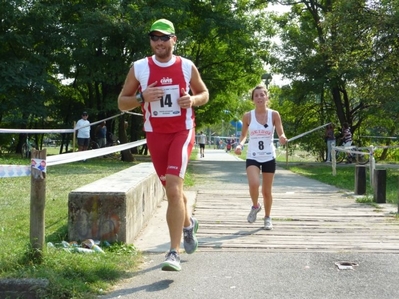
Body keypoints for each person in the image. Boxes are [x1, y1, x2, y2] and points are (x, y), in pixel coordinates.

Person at [117, 18, 209, 271]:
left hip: (182, 131)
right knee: (174, 192)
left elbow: (204, 94)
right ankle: (188, 224)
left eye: (164, 37)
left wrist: (193, 100)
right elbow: (122, 103)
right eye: (154, 37)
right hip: (155, 134)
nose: (159, 42)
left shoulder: (187, 66)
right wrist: (141, 96)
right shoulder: (139, 67)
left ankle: (173, 252)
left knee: (172, 189)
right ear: (150, 41)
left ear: (174, 40)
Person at [234, 85, 287, 230]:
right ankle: (255, 206)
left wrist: (282, 137)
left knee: (266, 191)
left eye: (262, 95)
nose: (259, 98)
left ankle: (268, 217)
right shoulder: (247, 116)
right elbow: (244, 135)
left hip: (269, 155)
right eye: (256, 95)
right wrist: (240, 145)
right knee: (254, 183)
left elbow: (280, 132)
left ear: (267, 98)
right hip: (253, 155)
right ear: (253, 99)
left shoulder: (274, 114)